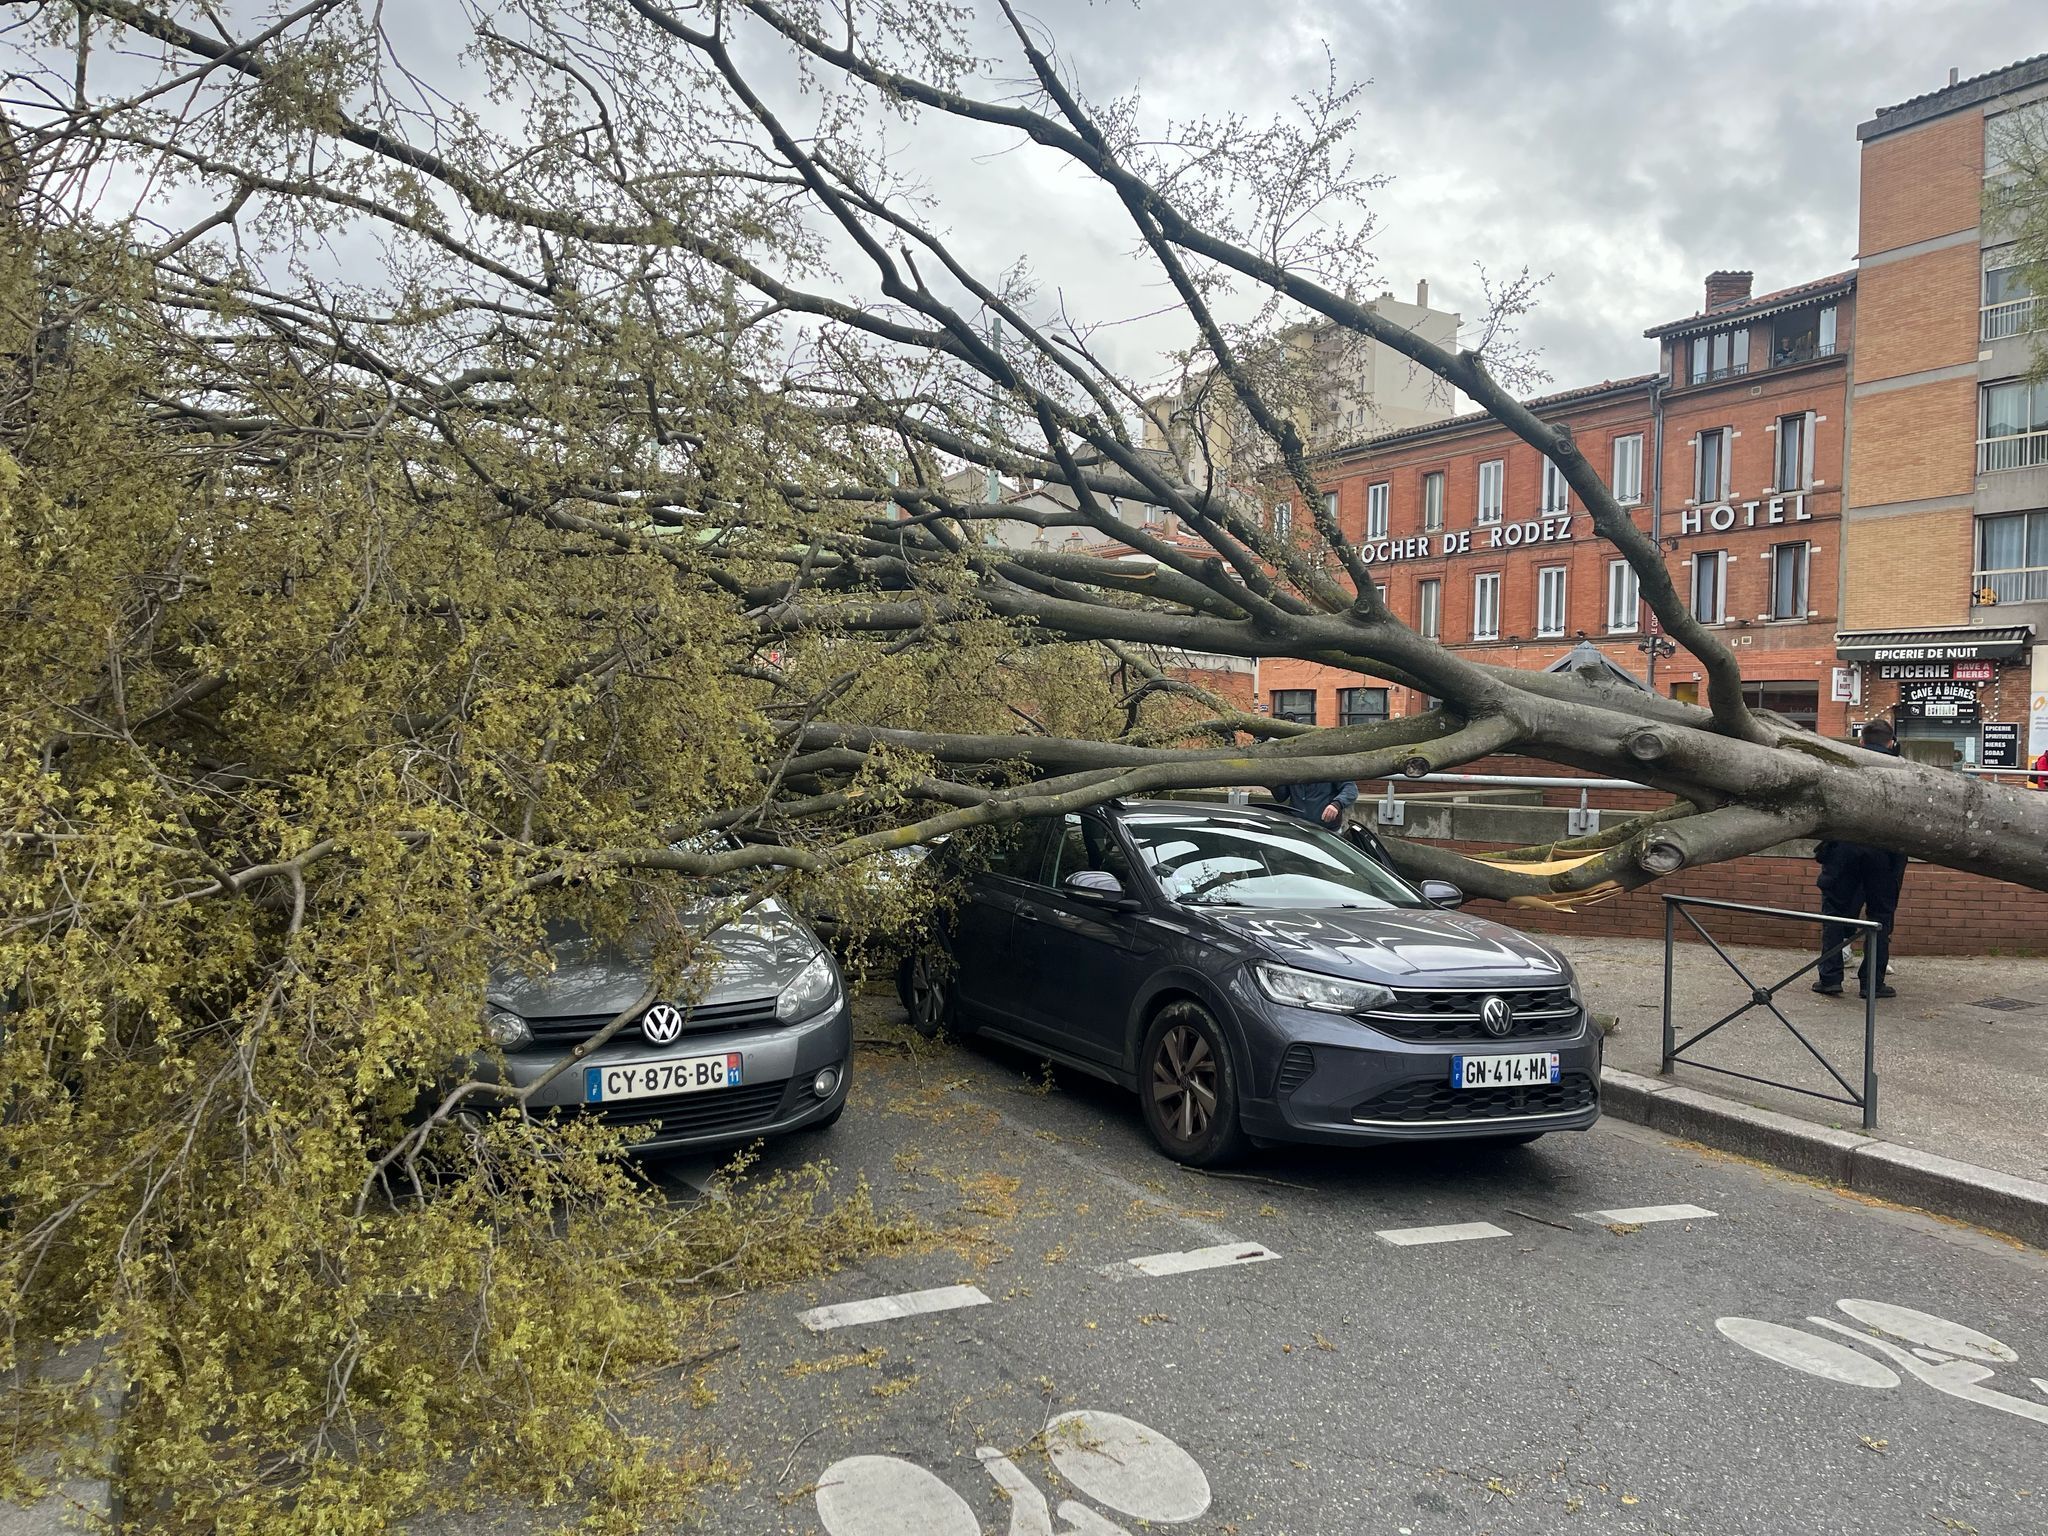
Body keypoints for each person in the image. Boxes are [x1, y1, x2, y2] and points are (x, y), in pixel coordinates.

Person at [1812, 719, 1908, 1000]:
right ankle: (1871, 983)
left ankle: (1830, 978)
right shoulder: (1904, 769)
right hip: (1885, 853)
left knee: (1834, 914)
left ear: (1862, 741)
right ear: (1891, 742)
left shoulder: (1845, 764)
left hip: (1844, 849)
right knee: (1880, 918)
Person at [1269, 778, 1358, 828]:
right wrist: (1272, 784)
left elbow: (1351, 789)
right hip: (1297, 826)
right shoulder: (1292, 766)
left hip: (1325, 829)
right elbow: (1281, 797)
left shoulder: (1330, 764)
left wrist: (1336, 804)